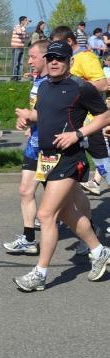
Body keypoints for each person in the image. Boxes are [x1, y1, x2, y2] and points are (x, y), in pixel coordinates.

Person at [13, 41, 110, 292]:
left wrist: (78, 134)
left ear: (70, 61)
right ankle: (99, 251)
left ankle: (40, 273)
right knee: (67, 213)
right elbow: (42, 114)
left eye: (61, 58)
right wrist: (26, 119)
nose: (55, 62)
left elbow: (105, 116)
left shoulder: (81, 87)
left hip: (70, 158)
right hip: (46, 158)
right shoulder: (44, 86)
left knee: (46, 215)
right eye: (51, 57)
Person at [50, 26, 109, 239]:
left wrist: (74, 86)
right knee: (74, 180)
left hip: (91, 124)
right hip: (72, 126)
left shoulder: (85, 57)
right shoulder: (63, 61)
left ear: (70, 41)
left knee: (105, 167)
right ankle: (81, 224)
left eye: (59, 44)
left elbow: (103, 84)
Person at [3, 39, 50, 255]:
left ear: (45, 57)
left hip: (51, 149)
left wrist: (31, 117)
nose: (29, 61)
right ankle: (29, 239)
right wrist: (26, 122)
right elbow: (36, 110)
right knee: (25, 190)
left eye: (33, 57)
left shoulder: (55, 82)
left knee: (65, 202)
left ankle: (91, 236)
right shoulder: (38, 80)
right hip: (34, 145)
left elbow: (54, 114)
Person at [10, 16, 30, 81]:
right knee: (15, 63)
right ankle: (14, 77)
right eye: (26, 20)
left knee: (20, 63)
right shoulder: (17, 26)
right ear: (22, 21)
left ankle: (19, 77)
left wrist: (26, 36)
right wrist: (25, 26)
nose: (27, 22)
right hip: (16, 47)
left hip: (21, 47)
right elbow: (19, 32)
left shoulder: (23, 28)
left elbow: (23, 35)